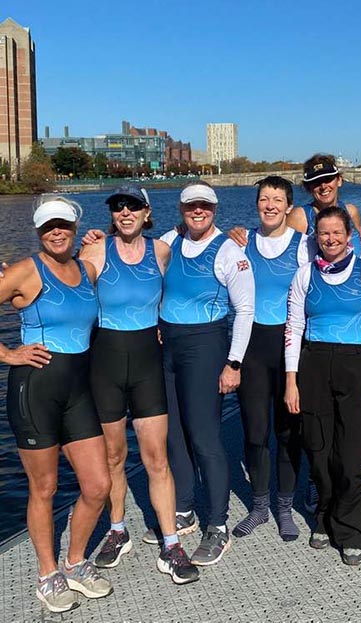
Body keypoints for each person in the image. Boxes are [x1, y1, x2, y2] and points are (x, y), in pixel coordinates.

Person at [79, 185, 198, 584]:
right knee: (113, 457)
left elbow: (198, 251)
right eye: (118, 207)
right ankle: (117, 531)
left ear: (148, 213)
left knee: (155, 458)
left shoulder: (161, 253)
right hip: (106, 363)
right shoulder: (95, 251)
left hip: (148, 363)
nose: (125, 212)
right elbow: (69, 287)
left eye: (133, 206)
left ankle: (170, 543)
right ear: (112, 214)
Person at [0, 197, 112, 613]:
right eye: (48, 227)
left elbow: (127, 241)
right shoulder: (26, 270)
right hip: (36, 391)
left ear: (76, 227)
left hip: (78, 393)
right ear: (38, 231)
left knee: (98, 485)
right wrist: (9, 353)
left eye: (63, 224)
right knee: (44, 488)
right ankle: (48, 575)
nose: (56, 232)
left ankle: (75, 562)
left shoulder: (85, 268)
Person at [284, 206, 361, 566]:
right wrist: (291, 382)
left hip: (357, 365)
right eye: (323, 233)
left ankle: (351, 530)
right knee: (318, 451)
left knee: (349, 456)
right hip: (313, 365)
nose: (330, 239)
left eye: (337, 233)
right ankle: (324, 517)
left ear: (349, 237)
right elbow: (293, 330)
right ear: (316, 236)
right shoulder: (303, 276)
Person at [159, 182, 255, 566]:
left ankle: (217, 525)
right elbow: (136, 264)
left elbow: (245, 309)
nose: (197, 211)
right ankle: (183, 508)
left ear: (214, 209)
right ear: (181, 208)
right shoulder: (170, 240)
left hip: (206, 345)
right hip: (169, 346)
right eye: (190, 206)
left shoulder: (229, 250)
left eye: (205, 206)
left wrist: (234, 363)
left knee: (205, 437)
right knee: (174, 432)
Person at [230, 176, 309, 541]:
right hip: (253, 347)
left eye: (278, 199)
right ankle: (260, 506)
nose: (271, 205)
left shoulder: (303, 245)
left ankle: (284, 507)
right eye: (265, 199)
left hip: (291, 345)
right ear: (257, 203)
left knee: (288, 430)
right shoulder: (240, 243)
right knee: (255, 431)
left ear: (289, 207)